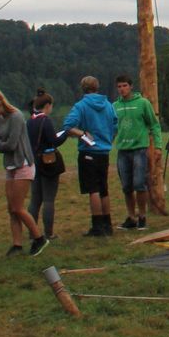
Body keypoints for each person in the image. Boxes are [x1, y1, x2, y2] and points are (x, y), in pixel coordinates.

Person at [0, 87, 49, 257]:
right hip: (10, 165)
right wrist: (0, 144)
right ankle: (17, 244)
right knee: (11, 209)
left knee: (18, 207)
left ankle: (39, 238)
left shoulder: (16, 116)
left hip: (23, 163)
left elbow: (10, 144)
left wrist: (0, 144)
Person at [60, 75, 117, 235]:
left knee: (93, 190)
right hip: (104, 152)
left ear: (83, 88)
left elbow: (68, 126)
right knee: (104, 189)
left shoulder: (81, 106)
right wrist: (108, 139)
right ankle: (108, 224)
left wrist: (81, 133)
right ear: (97, 87)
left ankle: (97, 225)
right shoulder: (108, 105)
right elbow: (115, 125)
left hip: (88, 152)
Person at [111, 74, 164, 231]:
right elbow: (112, 127)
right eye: (119, 86)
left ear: (131, 86)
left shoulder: (142, 103)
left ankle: (142, 216)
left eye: (124, 86)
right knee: (126, 186)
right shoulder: (115, 106)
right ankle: (131, 217)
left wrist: (158, 146)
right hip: (122, 150)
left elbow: (154, 125)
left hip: (139, 149)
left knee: (139, 184)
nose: (122, 89)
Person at [26, 90, 66, 245]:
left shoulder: (30, 121)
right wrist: (66, 134)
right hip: (48, 162)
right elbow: (54, 141)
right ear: (47, 105)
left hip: (34, 162)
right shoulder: (45, 120)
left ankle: (33, 233)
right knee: (49, 199)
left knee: (35, 200)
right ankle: (49, 233)